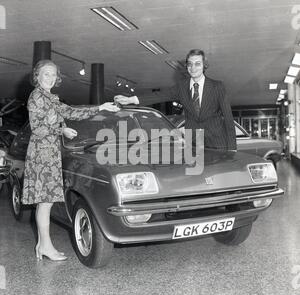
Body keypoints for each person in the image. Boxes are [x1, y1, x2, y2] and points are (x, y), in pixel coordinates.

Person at [21, 60, 119, 261]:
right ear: (37, 76)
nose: (50, 78)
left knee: (44, 202)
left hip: (48, 152)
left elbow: (71, 111)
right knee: (45, 202)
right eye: (46, 74)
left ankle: (42, 245)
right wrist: (61, 130)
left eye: (53, 75)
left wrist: (100, 107)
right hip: (42, 154)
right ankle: (46, 247)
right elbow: (37, 128)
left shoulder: (49, 98)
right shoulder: (37, 96)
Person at [114, 49, 236, 151]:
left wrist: (232, 148)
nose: (193, 68)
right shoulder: (181, 87)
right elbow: (159, 95)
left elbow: (229, 120)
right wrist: (131, 99)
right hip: (193, 144)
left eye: (197, 64)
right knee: (195, 178)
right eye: (189, 64)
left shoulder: (217, 86)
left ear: (204, 66)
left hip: (217, 142)